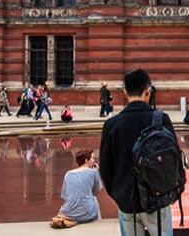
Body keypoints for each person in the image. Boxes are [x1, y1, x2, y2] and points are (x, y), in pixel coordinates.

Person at [99, 68, 178, 236]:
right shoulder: (161, 119)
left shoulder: (112, 125)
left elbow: (105, 168)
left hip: (127, 200)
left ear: (125, 93)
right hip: (158, 198)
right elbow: (175, 159)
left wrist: (118, 194)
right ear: (148, 91)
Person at [50, 148, 103, 228]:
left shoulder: (68, 174)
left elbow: (65, 197)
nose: (94, 160)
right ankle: (99, 221)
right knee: (94, 199)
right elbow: (97, 190)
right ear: (86, 160)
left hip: (68, 213)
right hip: (87, 213)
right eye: (92, 158)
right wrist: (96, 172)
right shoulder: (93, 172)